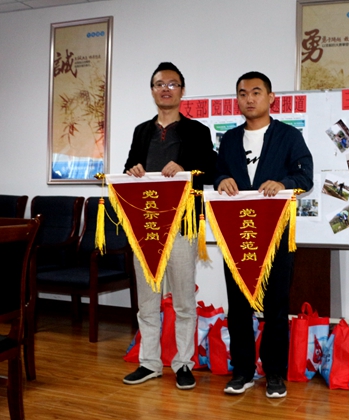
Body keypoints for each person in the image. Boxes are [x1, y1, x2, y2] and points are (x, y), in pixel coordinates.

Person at [215, 71, 313, 399]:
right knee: (239, 306)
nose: (249, 99)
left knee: (275, 307)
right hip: (238, 235)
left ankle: (274, 373)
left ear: (271, 98)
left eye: (256, 92)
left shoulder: (288, 136)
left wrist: (284, 183)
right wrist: (221, 180)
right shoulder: (229, 139)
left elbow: (306, 175)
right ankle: (242, 371)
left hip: (276, 234)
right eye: (243, 93)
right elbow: (216, 171)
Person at [122, 62, 216, 390]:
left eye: (172, 84)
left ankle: (183, 364)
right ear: (152, 91)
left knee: (183, 300)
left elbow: (209, 170)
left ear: (182, 90)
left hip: (181, 225)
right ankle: (149, 362)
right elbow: (128, 167)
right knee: (147, 301)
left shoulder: (198, 131)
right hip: (146, 225)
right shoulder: (141, 131)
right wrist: (133, 170)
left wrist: (185, 167)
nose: (166, 89)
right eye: (160, 84)